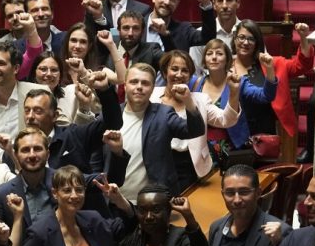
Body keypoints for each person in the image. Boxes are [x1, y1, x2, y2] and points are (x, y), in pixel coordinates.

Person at [150, 49, 240, 192]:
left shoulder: (200, 99)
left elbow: (226, 120)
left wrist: (234, 92)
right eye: (174, 69)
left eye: (185, 71)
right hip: (157, 164)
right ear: (165, 72)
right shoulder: (151, 95)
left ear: (190, 76)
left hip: (191, 165)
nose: (179, 75)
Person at [115, 63, 206, 202]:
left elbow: (195, 130)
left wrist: (188, 100)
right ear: (125, 85)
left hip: (153, 204)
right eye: (134, 82)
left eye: (145, 83)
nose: (139, 86)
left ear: (152, 89)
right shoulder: (111, 115)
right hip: (116, 200)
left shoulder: (163, 113)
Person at [190, 39, 276, 156]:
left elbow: (266, 96)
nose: (214, 57)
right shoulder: (195, 83)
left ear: (227, 60)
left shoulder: (238, 82)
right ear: (204, 59)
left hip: (232, 149)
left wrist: (270, 70)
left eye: (219, 54)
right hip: (199, 148)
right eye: (209, 54)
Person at [230, 20, 312, 140]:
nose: (245, 43)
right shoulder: (226, 66)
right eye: (241, 37)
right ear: (235, 39)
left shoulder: (272, 64)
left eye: (251, 39)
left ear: (257, 43)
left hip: (266, 131)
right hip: (234, 129)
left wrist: (303, 38)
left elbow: (302, 65)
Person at [144, 0, 216, 53]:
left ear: (177, 4)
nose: (167, 2)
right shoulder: (137, 25)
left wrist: (206, 3)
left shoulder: (184, 30)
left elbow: (208, 38)